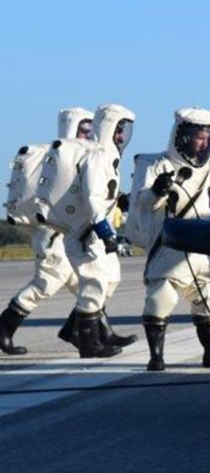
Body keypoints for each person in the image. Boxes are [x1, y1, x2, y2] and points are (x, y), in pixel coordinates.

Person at [0, 108, 138, 354]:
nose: (88, 135)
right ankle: (5, 330)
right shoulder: (59, 161)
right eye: (84, 130)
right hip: (55, 233)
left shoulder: (87, 156)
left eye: (91, 130)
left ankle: (93, 333)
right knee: (49, 283)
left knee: (96, 282)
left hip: (76, 231)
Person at [134, 108, 210, 371]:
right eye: (199, 137)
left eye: (208, 137)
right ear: (183, 136)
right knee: (161, 298)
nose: (204, 143)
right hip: (169, 246)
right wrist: (158, 190)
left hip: (202, 251)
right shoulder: (156, 165)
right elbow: (143, 202)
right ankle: (156, 357)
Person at [48, 104, 139, 358]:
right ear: (108, 126)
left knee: (111, 278)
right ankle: (88, 343)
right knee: (94, 282)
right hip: (86, 234)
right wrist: (105, 230)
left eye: (125, 130)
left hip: (96, 233)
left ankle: (73, 329)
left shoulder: (108, 156)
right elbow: (91, 196)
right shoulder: (97, 155)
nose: (122, 135)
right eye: (119, 129)